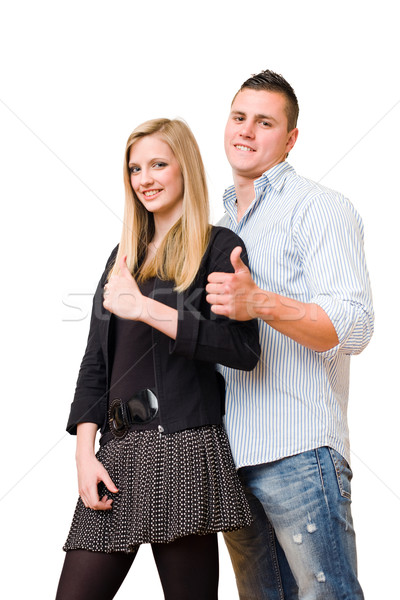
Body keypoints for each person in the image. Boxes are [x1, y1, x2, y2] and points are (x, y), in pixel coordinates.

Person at [56, 118, 261, 600]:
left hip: (186, 448)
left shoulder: (219, 248)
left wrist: (144, 308)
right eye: (134, 168)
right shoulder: (121, 257)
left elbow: (241, 349)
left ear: (184, 167)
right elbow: (95, 366)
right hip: (118, 453)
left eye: (157, 164)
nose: (144, 178)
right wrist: (85, 455)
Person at [206, 70, 374, 599]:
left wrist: (257, 301)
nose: (247, 132)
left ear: (291, 138)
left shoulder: (320, 207)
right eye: (239, 118)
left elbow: (353, 326)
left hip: (298, 450)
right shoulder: (219, 224)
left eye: (265, 122)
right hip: (231, 456)